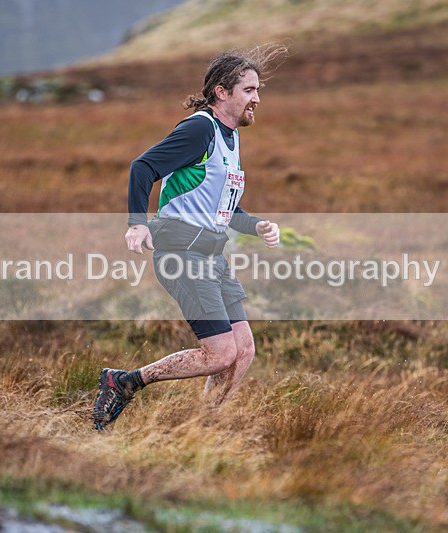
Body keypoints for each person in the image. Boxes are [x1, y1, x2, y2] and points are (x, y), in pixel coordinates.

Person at [93, 46, 286, 431]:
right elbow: (143, 167)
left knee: (243, 351)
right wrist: (137, 223)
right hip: (181, 253)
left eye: (258, 90)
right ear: (222, 92)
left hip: (212, 257)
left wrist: (257, 226)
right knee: (220, 354)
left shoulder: (232, 137)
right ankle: (125, 382)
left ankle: (204, 429)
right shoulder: (200, 129)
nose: (257, 99)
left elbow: (224, 208)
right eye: (249, 90)